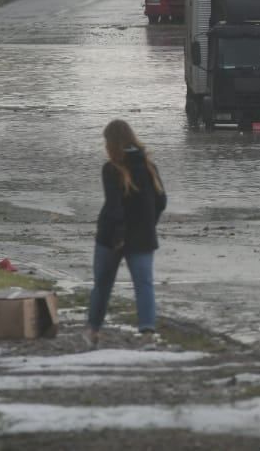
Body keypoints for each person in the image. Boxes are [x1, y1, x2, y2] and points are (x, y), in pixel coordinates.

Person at [84, 119, 167, 350]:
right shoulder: (149, 166)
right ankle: (147, 332)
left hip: (111, 237)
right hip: (142, 236)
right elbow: (161, 201)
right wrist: (150, 223)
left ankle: (93, 330)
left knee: (102, 284)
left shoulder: (111, 169)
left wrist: (118, 233)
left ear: (111, 143)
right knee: (144, 284)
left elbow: (114, 206)